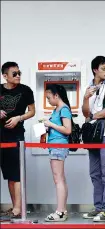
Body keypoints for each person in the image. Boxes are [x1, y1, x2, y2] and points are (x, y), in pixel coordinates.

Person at [81, 56, 105, 222]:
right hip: (93, 136)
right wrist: (85, 98)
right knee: (95, 172)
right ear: (95, 69)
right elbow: (84, 113)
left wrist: (92, 117)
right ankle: (98, 207)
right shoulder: (89, 87)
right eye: (104, 68)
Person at [0, 62, 35, 221]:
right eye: (14, 73)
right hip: (1, 136)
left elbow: (32, 111)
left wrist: (18, 118)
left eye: (19, 72)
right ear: (5, 76)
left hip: (16, 135)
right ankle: (15, 208)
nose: (18, 75)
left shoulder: (25, 90)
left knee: (17, 172)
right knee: (9, 174)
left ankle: (18, 209)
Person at [43, 84, 72, 222]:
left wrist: (50, 124)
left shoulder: (64, 109)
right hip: (54, 145)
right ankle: (63, 210)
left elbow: (68, 130)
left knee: (58, 179)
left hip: (58, 145)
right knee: (60, 178)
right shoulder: (57, 110)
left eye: (49, 97)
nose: (48, 100)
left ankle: (60, 211)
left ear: (56, 95)